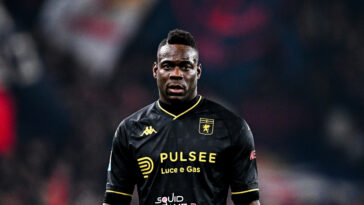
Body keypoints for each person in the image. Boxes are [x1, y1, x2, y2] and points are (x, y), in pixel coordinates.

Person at [102, 29, 260, 205]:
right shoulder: (130, 129)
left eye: (185, 67)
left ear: (198, 71)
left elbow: (248, 200)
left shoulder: (232, 127)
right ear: (156, 70)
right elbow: (115, 200)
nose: (176, 74)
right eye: (168, 66)